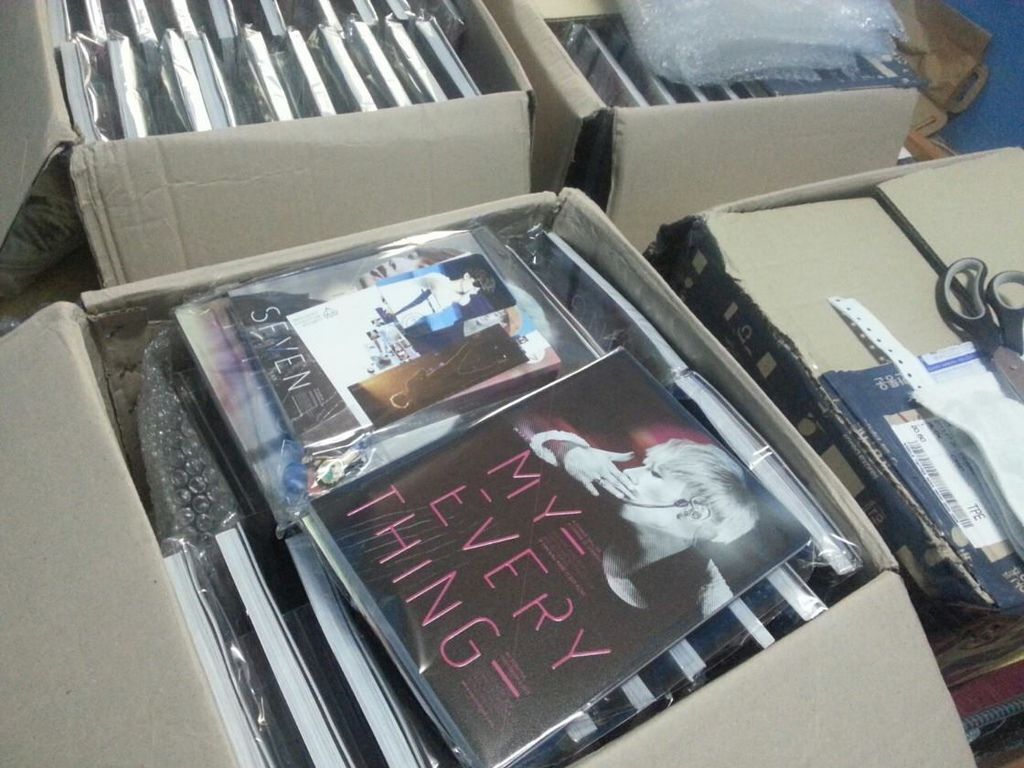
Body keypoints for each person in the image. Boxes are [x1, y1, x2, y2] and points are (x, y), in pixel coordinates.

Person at [529, 431, 759, 616]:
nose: (630, 472)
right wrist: (570, 452)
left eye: (655, 474)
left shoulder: (709, 595)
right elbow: (530, 433)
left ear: (696, 512)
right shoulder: (600, 496)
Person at [378, 267, 497, 332]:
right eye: (476, 285)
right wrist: (460, 299)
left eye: (478, 291)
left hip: (391, 321)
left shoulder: (449, 303)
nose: (474, 291)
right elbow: (437, 289)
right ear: (466, 276)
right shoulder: (439, 278)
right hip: (381, 303)